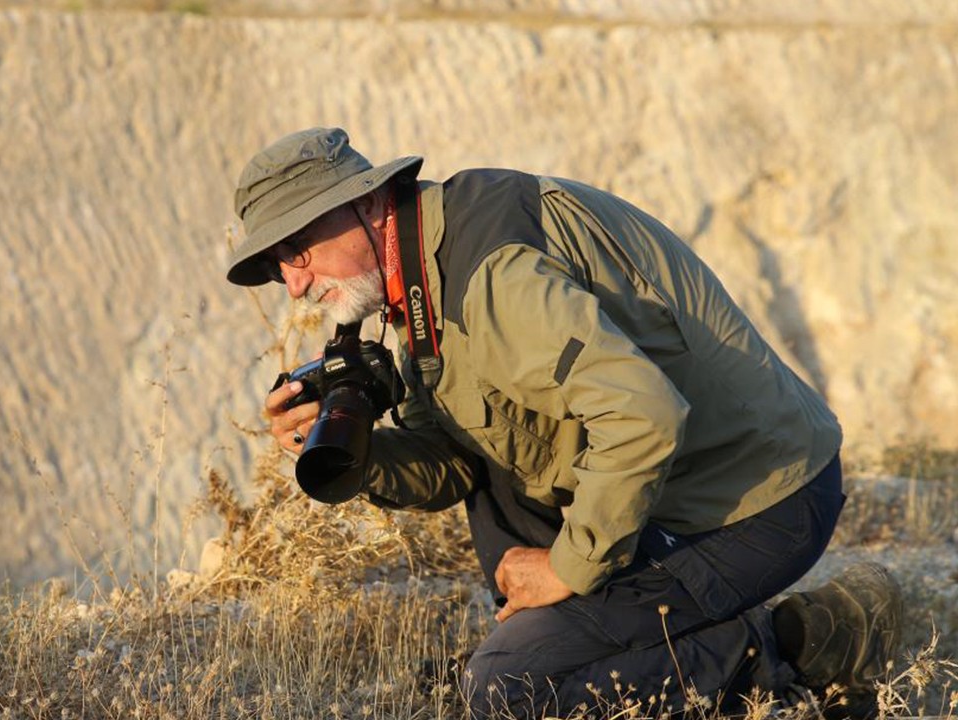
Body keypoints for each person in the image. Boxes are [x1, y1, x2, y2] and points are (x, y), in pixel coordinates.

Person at [226, 127, 902, 718]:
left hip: (760, 503)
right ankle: (608, 639)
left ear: (367, 202)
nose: (294, 284)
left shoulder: (490, 275)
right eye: (279, 265)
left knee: (506, 690)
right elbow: (456, 458)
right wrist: (359, 456)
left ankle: (796, 646)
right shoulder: (432, 264)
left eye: (300, 249)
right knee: (499, 494)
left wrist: (567, 570)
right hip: (691, 488)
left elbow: (643, 414)